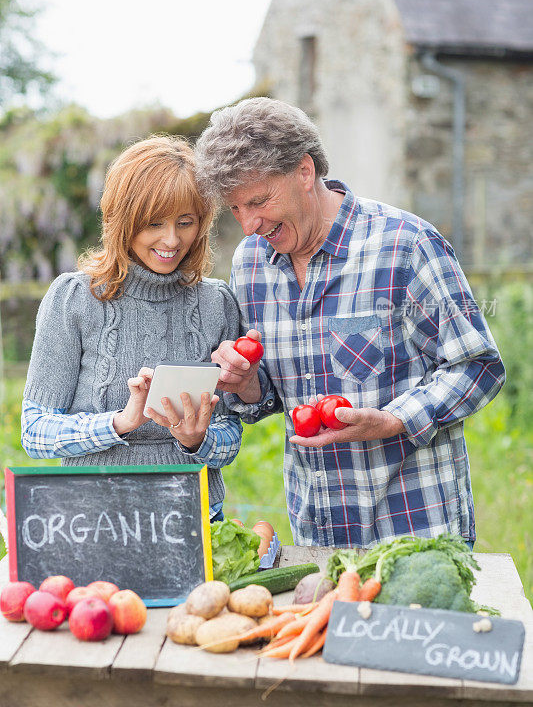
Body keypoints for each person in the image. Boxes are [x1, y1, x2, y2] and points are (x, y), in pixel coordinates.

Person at [195, 97, 506, 546]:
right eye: (236, 209)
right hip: (317, 537)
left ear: (305, 172)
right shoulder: (251, 265)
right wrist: (245, 383)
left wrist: (393, 421)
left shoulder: (405, 245)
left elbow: (477, 366)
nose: (248, 225)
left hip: (416, 534)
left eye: (258, 201)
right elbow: (275, 393)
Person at [21, 135, 242, 521]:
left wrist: (197, 440)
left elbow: (232, 437)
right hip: (93, 521)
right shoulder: (73, 299)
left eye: (185, 223)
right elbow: (35, 432)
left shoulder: (216, 303)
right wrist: (119, 423)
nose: (172, 240)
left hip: (190, 520)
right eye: (155, 223)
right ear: (122, 221)